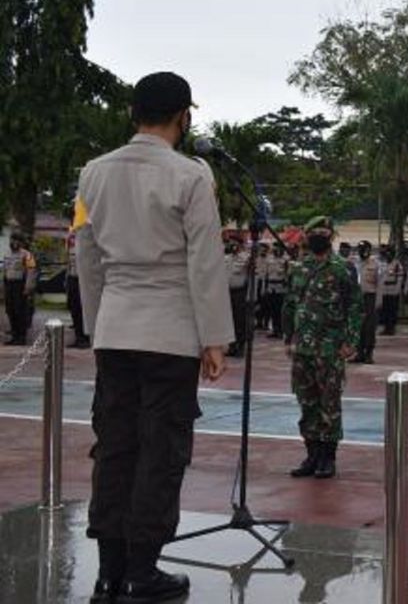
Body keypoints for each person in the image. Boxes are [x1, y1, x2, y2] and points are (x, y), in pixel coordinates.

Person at [74, 71, 230, 603]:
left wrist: (99, 325)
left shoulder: (92, 174)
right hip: (170, 334)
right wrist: (214, 338)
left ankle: (107, 572)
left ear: (133, 113)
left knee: (114, 447)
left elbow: (86, 256)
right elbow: (204, 262)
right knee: (160, 453)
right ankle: (144, 570)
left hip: (116, 329)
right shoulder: (190, 175)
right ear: (184, 117)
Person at [283, 216, 363, 479]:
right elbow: (291, 304)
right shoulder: (299, 268)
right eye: (313, 232)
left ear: (330, 236)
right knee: (307, 402)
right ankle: (311, 454)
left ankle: (328, 457)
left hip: (330, 348)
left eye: (323, 232)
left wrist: (350, 341)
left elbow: (354, 306)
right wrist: (288, 338)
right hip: (302, 349)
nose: (318, 236)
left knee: (329, 403)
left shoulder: (343, 268)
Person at [3, 232, 37, 346]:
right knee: (10, 310)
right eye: (12, 240)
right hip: (9, 284)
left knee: (20, 311)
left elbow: (31, 271)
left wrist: (28, 287)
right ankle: (14, 335)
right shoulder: (7, 254)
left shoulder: (27, 255)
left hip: (20, 285)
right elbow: (5, 271)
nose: (14, 243)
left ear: (21, 242)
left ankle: (21, 337)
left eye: (17, 240)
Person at [224, 238, 250, 358]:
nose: (232, 245)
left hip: (240, 292)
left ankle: (241, 346)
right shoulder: (226, 258)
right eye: (230, 243)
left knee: (240, 320)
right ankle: (232, 346)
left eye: (234, 243)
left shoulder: (245, 258)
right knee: (230, 320)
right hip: (228, 292)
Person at [65, 228, 90, 348]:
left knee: (83, 308)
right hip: (72, 278)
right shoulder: (70, 247)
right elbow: (68, 264)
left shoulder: (86, 246)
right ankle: (78, 336)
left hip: (83, 279)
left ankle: (85, 338)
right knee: (74, 308)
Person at [377, 244, 404, 336]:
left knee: (392, 311)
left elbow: (399, 279)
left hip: (393, 291)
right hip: (384, 291)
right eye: (386, 253)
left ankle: (391, 328)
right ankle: (386, 328)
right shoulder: (382, 264)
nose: (387, 255)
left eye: (389, 253)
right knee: (385, 311)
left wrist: (397, 291)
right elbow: (380, 278)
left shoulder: (397, 264)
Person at [264, 242, 289, 339]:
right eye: (275, 248)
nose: (276, 250)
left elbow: (288, 274)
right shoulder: (269, 259)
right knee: (272, 310)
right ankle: (275, 329)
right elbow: (266, 275)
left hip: (281, 287)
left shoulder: (286, 260)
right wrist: (265, 288)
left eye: (278, 248)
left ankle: (281, 330)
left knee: (280, 310)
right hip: (271, 286)